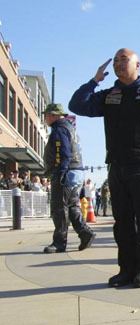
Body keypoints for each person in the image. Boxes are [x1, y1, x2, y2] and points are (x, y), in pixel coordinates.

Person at [69, 48, 140, 288]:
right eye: (116, 60)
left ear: (138, 65)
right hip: (116, 168)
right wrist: (95, 81)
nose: (119, 64)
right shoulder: (110, 95)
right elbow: (77, 105)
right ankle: (126, 269)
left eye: (124, 60)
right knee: (123, 223)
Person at [42, 103, 95, 254]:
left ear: (53, 115)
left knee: (59, 208)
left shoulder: (59, 129)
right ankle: (85, 233)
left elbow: (64, 153)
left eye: (46, 115)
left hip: (66, 172)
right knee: (71, 207)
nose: (45, 118)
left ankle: (60, 242)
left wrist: (60, 172)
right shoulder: (69, 128)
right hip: (75, 171)